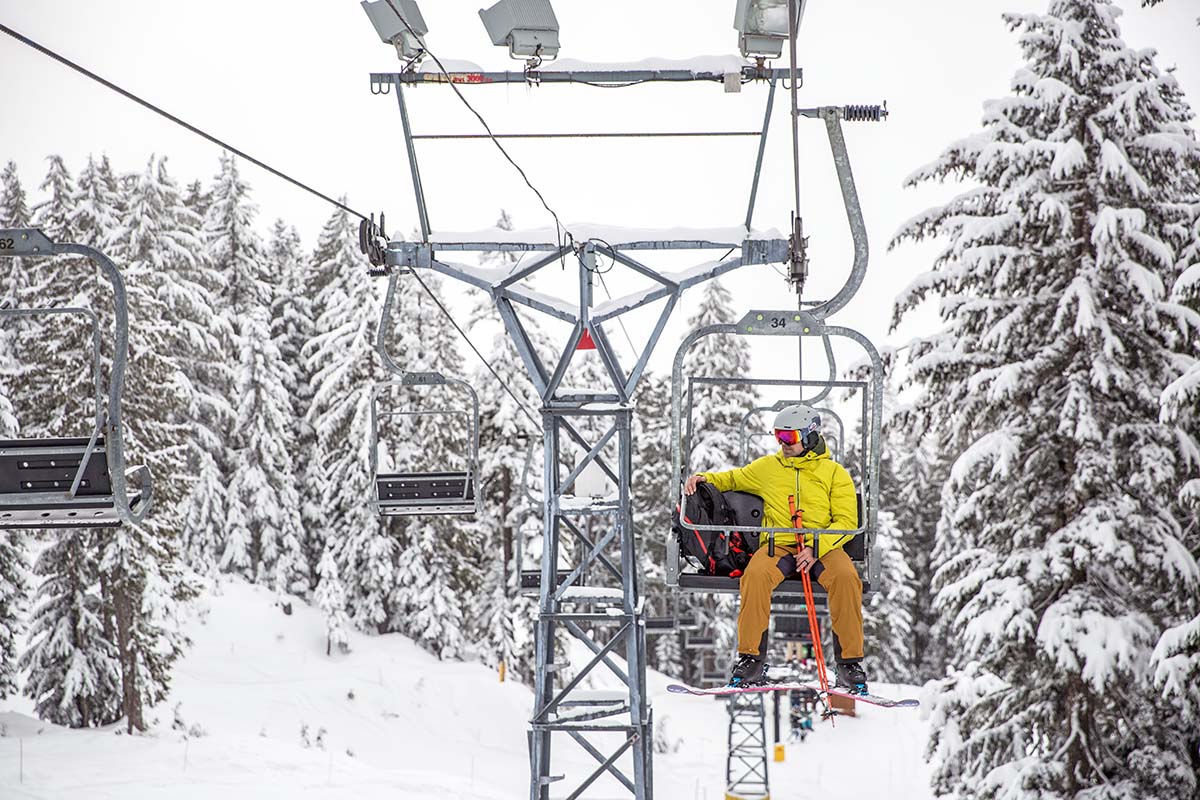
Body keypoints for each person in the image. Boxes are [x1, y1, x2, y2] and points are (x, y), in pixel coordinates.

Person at [683, 404, 867, 693]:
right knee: (755, 575)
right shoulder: (768, 468)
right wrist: (703, 478)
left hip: (824, 546)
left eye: (789, 437)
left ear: (808, 436)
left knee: (846, 578)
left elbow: (846, 520)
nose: (783, 444)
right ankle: (751, 660)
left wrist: (816, 547)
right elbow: (733, 478)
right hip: (779, 545)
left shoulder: (834, 473)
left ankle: (849, 665)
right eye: (779, 436)